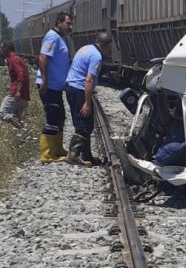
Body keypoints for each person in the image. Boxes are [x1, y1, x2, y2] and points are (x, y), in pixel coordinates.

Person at [65, 31, 113, 166]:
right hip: (79, 89)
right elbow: (89, 80)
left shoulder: (85, 48)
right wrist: (87, 102)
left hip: (71, 87)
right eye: (110, 47)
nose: (110, 50)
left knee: (82, 122)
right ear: (105, 45)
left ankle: (87, 156)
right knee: (84, 126)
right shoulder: (97, 57)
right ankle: (73, 154)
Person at [35, 12, 73, 163]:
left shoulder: (60, 38)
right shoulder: (52, 37)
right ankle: (46, 154)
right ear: (59, 22)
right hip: (49, 85)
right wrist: (44, 80)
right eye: (68, 23)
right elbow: (43, 57)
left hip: (56, 87)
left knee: (60, 116)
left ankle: (57, 149)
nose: (70, 27)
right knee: (52, 117)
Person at [0, 42, 30, 127]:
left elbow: (21, 75)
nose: (1, 51)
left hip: (17, 93)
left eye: (2, 49)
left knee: (2, 112)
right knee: (19, 118)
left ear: (6, 49)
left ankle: (19, 127)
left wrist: (18, 91)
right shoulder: (16, 58)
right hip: (23, 94)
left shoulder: (14, 59)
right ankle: (23, 134)